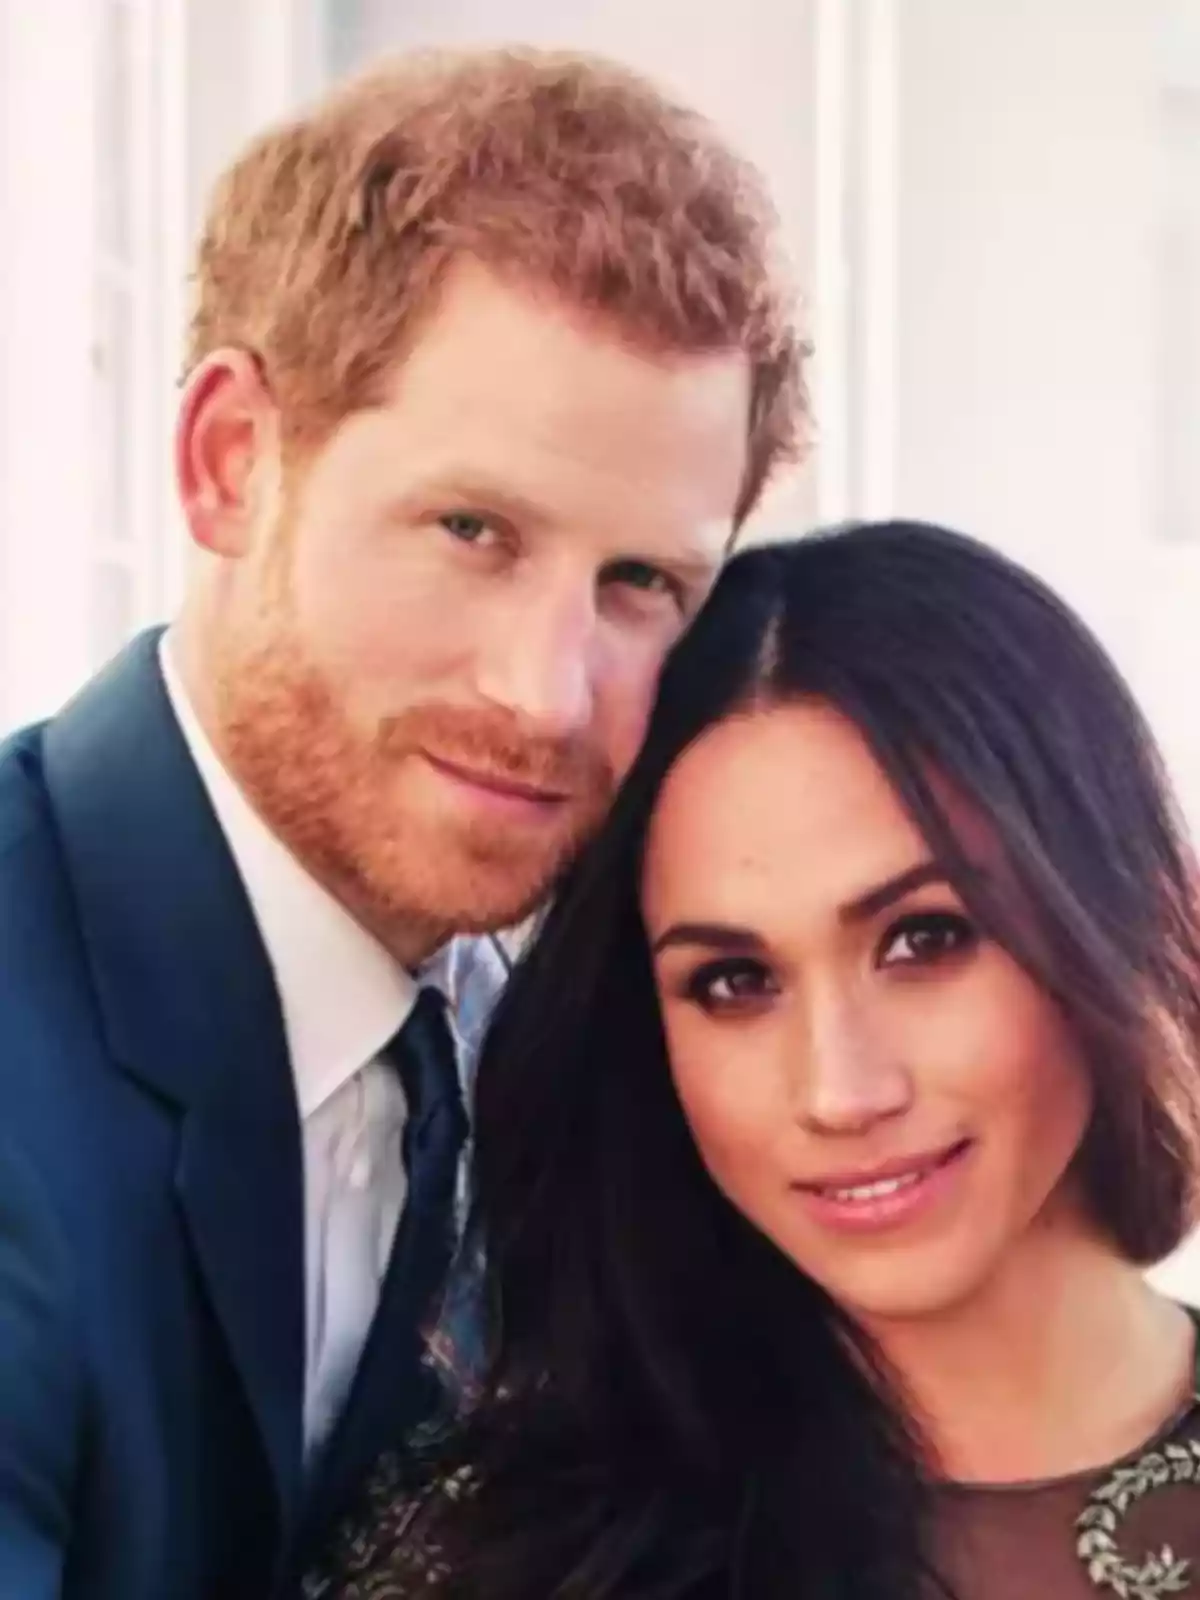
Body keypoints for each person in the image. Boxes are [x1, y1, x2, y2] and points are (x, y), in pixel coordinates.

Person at [0, 45, 804, 1600]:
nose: (548, 695)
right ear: (232, 460)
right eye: (473, 530)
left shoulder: (571, 1044)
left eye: (642, 584)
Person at [309, 521, 1200, 1600]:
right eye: (734, 981)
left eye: (925, 938)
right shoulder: (496, 1560)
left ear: (1104, 907)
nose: (841, 1089)